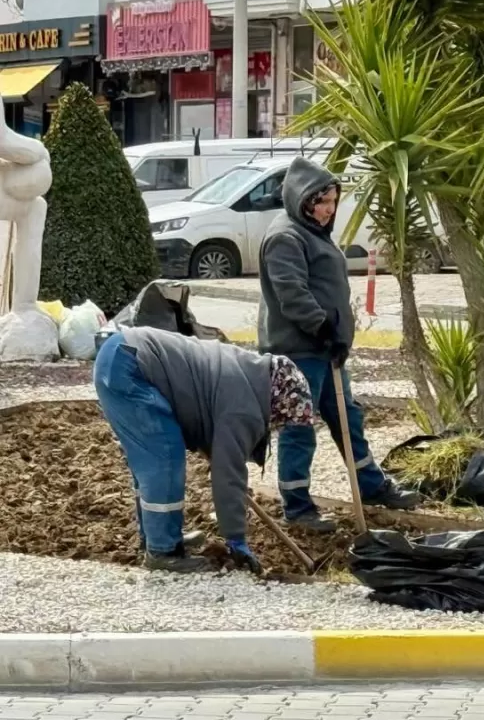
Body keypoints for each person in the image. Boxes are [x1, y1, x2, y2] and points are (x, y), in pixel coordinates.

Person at [259, 156, 421, 533]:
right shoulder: (286, 236)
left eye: (333, 202)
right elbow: (292, 295)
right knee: (299, 427)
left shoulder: (311, 231)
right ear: (302, 199)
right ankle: (297, 508)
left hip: (324, 350)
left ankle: (371, 486)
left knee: (348, 418)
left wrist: (333, 338)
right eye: (322, 202)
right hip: (299, 353)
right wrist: (323, 329)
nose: (329, 210)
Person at [93, 326, 314, 574]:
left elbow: (202, 404)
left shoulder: (250, 375)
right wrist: (235, 538)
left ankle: (160, 538)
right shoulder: (245, 408)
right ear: (280, 401)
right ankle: (162, 551)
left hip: (123, 355)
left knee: (151, 459)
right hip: (131, 366)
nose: (275, 425)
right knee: (163, 456)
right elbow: (228, 474)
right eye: (280, 418)